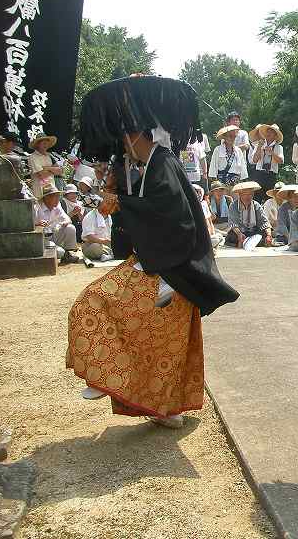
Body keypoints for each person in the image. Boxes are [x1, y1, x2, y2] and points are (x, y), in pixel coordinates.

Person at [68, 107, 239, 429]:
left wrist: (122, 203)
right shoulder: (144, 166)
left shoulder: (163, 163)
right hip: (155, 263)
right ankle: (121, 382)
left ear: (134, 135)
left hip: (171, 269)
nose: (120, 144)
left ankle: (163, 405)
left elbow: (176, 217)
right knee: (110, 311)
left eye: (122, 136)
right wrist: (120, 198)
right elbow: (147, 213)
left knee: (160, 340)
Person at [34, 184, 80, 263]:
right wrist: (37, 224)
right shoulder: (36, 208)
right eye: (55, 196)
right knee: (59, 252)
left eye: (58, 196)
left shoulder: (57, 205)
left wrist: (65, 222)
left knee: (70, 228)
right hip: (41, 239)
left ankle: (68, 253)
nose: (58, 199)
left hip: (54, 234)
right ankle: (62, 254)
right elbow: (28, 226)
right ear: (47, 198)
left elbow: (67, 219)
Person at [225, 181, 272, 249]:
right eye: (245, 194)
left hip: (253, 231)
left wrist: (269, 235)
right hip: (239, 231)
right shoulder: (234, 205)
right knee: (232, 236)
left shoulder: (256, 205)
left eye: (250, 194)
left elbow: (264, 222)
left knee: (264, 235)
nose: (248, 196)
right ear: (240, 195)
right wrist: (239, 234)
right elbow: (233, 223)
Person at [249, 123, 284, 198]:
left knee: (269, 197)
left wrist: (272, 152)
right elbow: (254, 160)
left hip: (271, 175)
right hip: (259, 174)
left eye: (271, 132)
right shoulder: (259, 144)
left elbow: (281, 161)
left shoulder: (278, 147)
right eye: (267, 131)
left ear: (275, 135)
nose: (269, 133)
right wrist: (259, 147)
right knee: (257, 197)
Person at [192, 184, 223, 248]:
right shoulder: (189, 206)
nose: (198, 194)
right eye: (195, 192)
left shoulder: (204, 204)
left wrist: (212, 233)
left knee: (219, 237)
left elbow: (210, 221)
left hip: (209, 235)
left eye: (199, 192)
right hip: (199, 237)